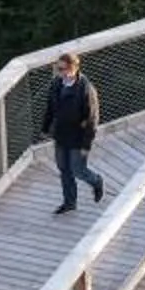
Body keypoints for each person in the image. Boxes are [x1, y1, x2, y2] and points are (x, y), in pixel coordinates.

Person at [45, 49, 107, 213]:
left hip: (77, 137)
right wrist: (45, 128)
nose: (60, 72)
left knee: (78, 170)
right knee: (64, 169)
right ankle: (69, 202)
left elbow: (92, 119)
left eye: (63, 69)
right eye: (58, 69)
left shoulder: (85, 89)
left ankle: (97, 181)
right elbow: (50, 108)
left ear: (74, 68)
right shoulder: (56, 84)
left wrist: (86, 145)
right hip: (61, 135)